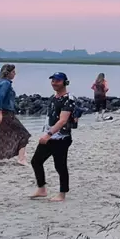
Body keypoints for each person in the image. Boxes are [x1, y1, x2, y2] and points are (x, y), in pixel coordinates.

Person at [31, 72, 75, 202]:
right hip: (49, 136)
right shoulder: (53, 97)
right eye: (53, 80)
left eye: (57, 81)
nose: (54, 83)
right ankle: (41, 189)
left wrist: (49, 134)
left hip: (61, 138)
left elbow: (62, 120)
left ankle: (62, 194)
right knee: (36, 161)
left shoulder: (69, 99)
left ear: (64, 82)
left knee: (60, 166)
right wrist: (46, 133)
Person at [0, 64, 31, 164]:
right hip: (5, 113)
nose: (15, 74)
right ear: (7, 73)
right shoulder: (6, 84)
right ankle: (21, 159)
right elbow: (0, 97)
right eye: (13, 72)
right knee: (23, 134)